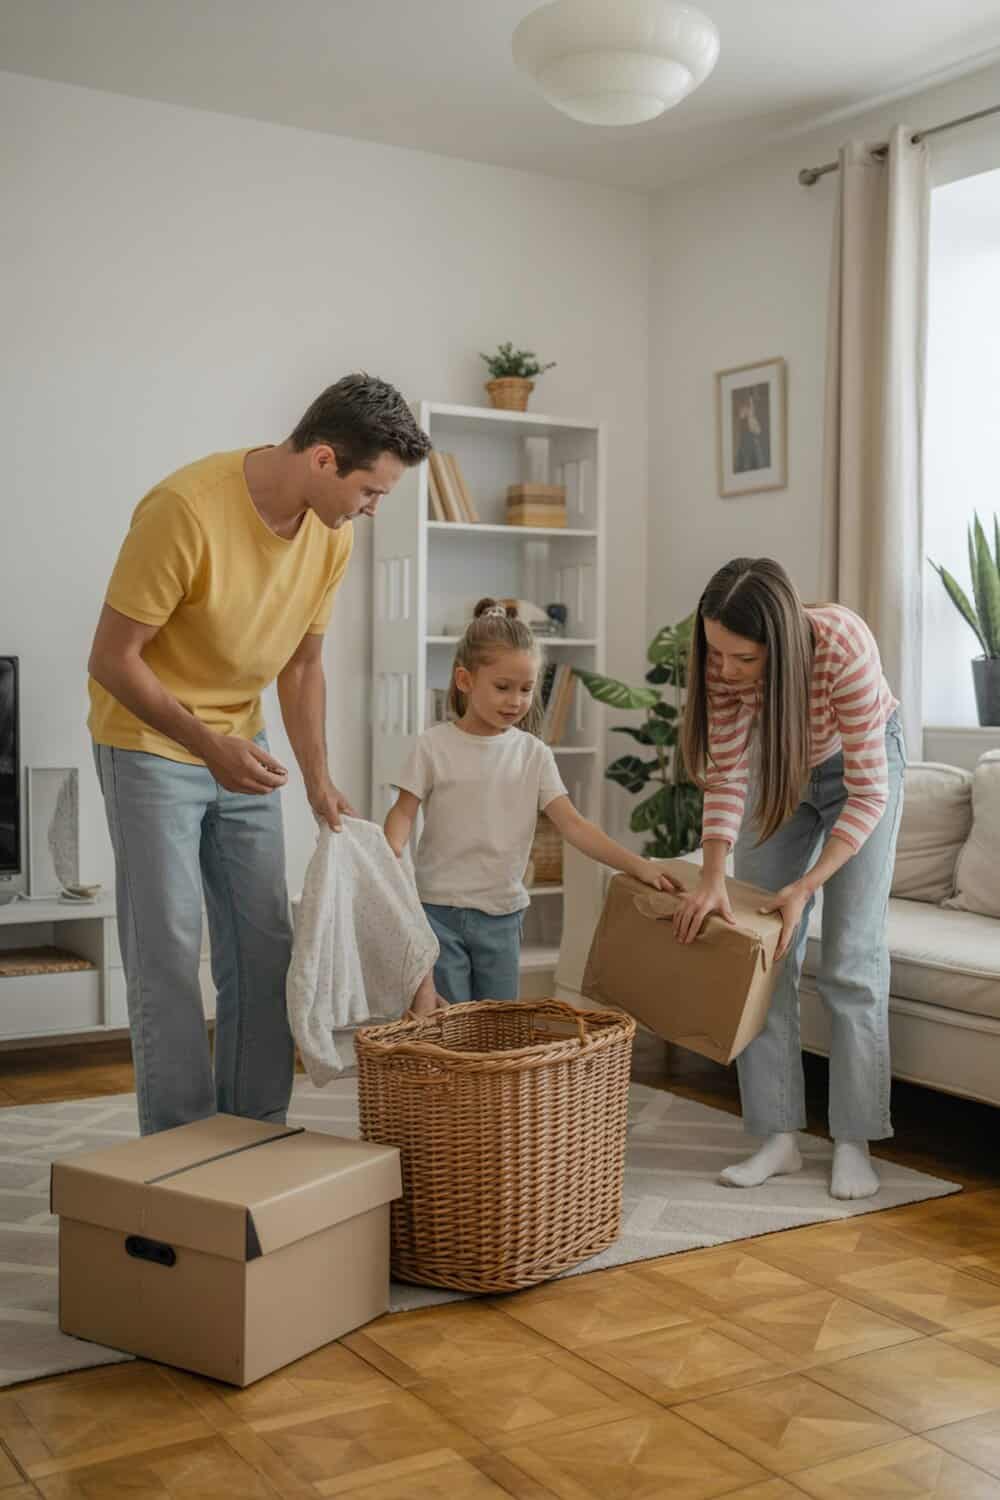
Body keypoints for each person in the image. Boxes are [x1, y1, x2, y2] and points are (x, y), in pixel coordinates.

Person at [88, 374, 431, 1134]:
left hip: (241, 742)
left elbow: (303, 667)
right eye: (370, 491)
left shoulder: (331, 533)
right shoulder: (185, 510)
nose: (372, 509)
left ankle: (252, 1132)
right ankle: (179, 1145)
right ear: (323, 458)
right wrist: (207, 745)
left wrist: (318, 780)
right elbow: (112, 659)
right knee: (168, 947)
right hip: (149, 741)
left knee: (264, 943)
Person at [675, 558, 905, 1201]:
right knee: (763, 952)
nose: (725, 670)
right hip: (782, 764)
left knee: (852, 959)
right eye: (716, 653)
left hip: (862, 769)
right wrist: (713, 875)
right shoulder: (724, 662)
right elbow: (727, 772)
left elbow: (868, 795)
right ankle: (778, 1137)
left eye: (744, 659)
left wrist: (807, 887)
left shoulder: (842, 646)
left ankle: (853, 1141)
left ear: (779, 642)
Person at [384, 599, 676, 1007]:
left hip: (502, 915)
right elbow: (402, 813)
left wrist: (638, 865)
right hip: (437, 911)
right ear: (465, 680)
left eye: (526, 689)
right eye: (503, 687)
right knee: (449, 1025)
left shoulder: (534, 754)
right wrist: (388, 860)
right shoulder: (432, 746)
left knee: (500, 1027)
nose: (516, 701)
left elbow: (573, 825)